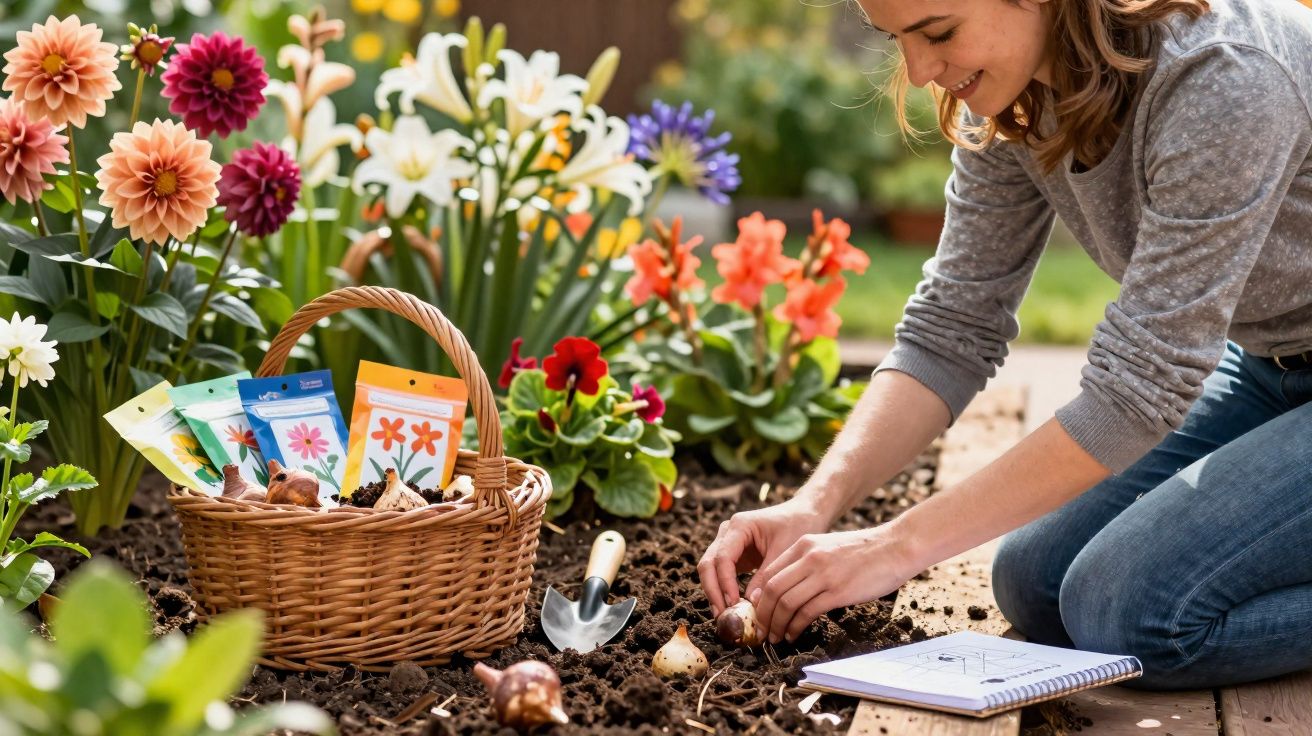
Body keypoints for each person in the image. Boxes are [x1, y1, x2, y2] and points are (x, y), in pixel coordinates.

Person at [698, 0, 1312, 690]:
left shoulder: (1223, 78)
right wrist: (814, 504)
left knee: (1131, 615)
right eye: (898, 39)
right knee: (1035, 582)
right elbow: (953, 327)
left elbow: (1137, 394)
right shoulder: (1019, 96)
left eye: (938, 32)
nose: (921, 70)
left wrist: (891, 547)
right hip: (1272, 369)